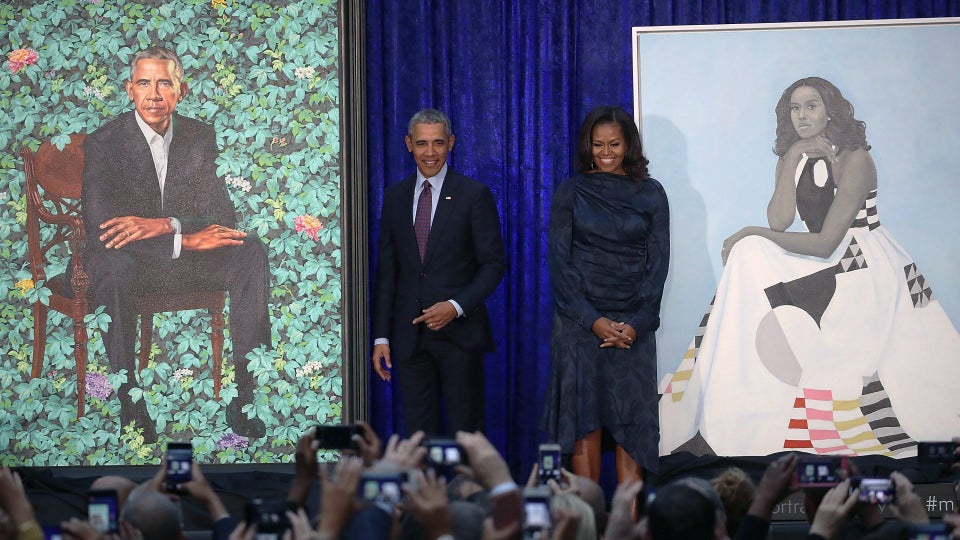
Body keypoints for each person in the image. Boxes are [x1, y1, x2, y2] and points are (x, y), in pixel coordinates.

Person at [659, 76, 960, 457]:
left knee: (751, 244)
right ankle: (728, 402)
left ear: (831, 109)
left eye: (812, 105)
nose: (802, 115)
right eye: (795, 108)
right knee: (748, 253)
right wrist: (792, 160)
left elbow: (826, 242)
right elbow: (780, 221)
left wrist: (750, 231)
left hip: (863, 264)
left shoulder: (856, 159)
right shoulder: (793, 156)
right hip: (824, 260)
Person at [81, 46, 270, 442]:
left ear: (181, 91)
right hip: (127, 259)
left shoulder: (200, 136)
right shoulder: (105, 142)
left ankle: (244, 395)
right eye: (144, 83)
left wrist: (166, 225)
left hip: (179, 257)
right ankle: (130, 403)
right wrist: (184, 241)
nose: (154, 94)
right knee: (114, 270)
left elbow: (221, 212)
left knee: (249, 249)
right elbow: (106, 230)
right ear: (129, 89)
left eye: (164, 83)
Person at [541, 105, 670, 483]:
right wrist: (594, 321)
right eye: (598, 145)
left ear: (629, 144)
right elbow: (559, 268)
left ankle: (627, 527)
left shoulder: (652, 193)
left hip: (633, 329)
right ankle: (590, 520)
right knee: (585, 421)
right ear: (587, 146)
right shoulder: (571, 192)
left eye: (614, 143)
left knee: (633, 424)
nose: (606, 152)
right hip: (581, 327)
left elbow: (658, 264)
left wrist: (637, 323)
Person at [371, 108, 506, 436]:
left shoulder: (474, 195)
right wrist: (381, 336)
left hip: (460, 337)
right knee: (417, 436)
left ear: (451, 144)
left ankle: (468, 489)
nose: (430, 153)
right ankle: (421, 490)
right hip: (409, 341)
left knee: (467, 433)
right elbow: (388, 271)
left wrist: (455, 306)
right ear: (408, 145)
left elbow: (494, 265)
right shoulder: (395, 196)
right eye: (422, 144)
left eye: (438, 143)